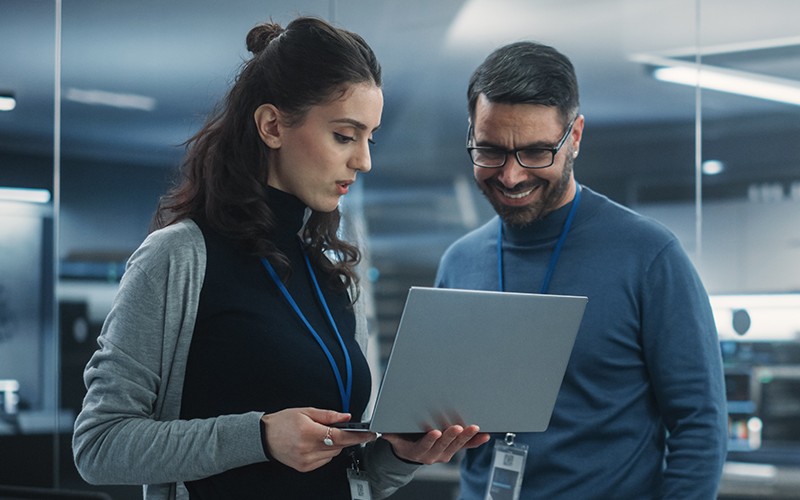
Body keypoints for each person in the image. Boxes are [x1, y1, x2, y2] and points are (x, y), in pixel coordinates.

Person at [72, 16, 488, 500]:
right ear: (272, 126)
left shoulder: (332, 270)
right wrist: (262, 436)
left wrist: (402, 456)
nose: (363, 161)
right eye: (344, 135)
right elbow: (98, 446)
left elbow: (350, 477)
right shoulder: (179, 257)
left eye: (368, 138)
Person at [435, 41, 727, 499]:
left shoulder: (649, 257)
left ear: (574, 136)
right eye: (490, 151)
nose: (511, 176)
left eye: (535, 153)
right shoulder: (459, 263)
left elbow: (700, 425)